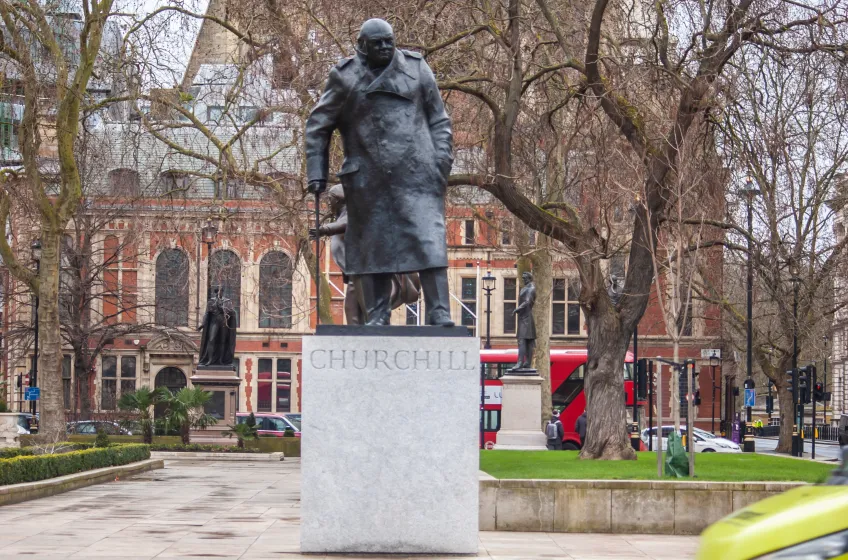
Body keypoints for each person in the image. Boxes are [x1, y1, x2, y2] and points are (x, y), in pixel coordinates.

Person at [305, 18, 454, 327]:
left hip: (419, 173)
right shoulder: (345, 78)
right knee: (372, 245)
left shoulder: (416, 68)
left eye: (390, 41)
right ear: (362, 46)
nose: (386, 47)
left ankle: (440, 313)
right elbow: (318, 126)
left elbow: (439, 118)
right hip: (368, 176)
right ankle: (377, 314)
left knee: (428, 239)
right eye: (378, 43)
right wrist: (316, 172)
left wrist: (441, 162)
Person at [310, 184, 420, 324]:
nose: (329, 204)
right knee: (352, 306)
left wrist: (325, 229)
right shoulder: (349, 212)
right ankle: (357, 334)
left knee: (367, 306)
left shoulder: (353, 212)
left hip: (364, 269)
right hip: (355, 271)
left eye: (330, 200)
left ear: (337, 200)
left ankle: (369, 330)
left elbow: (347, 224)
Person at [509, 272, 537, 370]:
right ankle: (527, 363)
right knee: (527, 341)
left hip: (526, 318)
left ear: (529, 278)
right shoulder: (526, 288)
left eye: (525, 278)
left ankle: (520, 363)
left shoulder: (531, 288)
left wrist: (517, 309)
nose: (523, 280)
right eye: (523, 278)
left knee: (522, 340)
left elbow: (527, 302)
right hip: (524, 317)